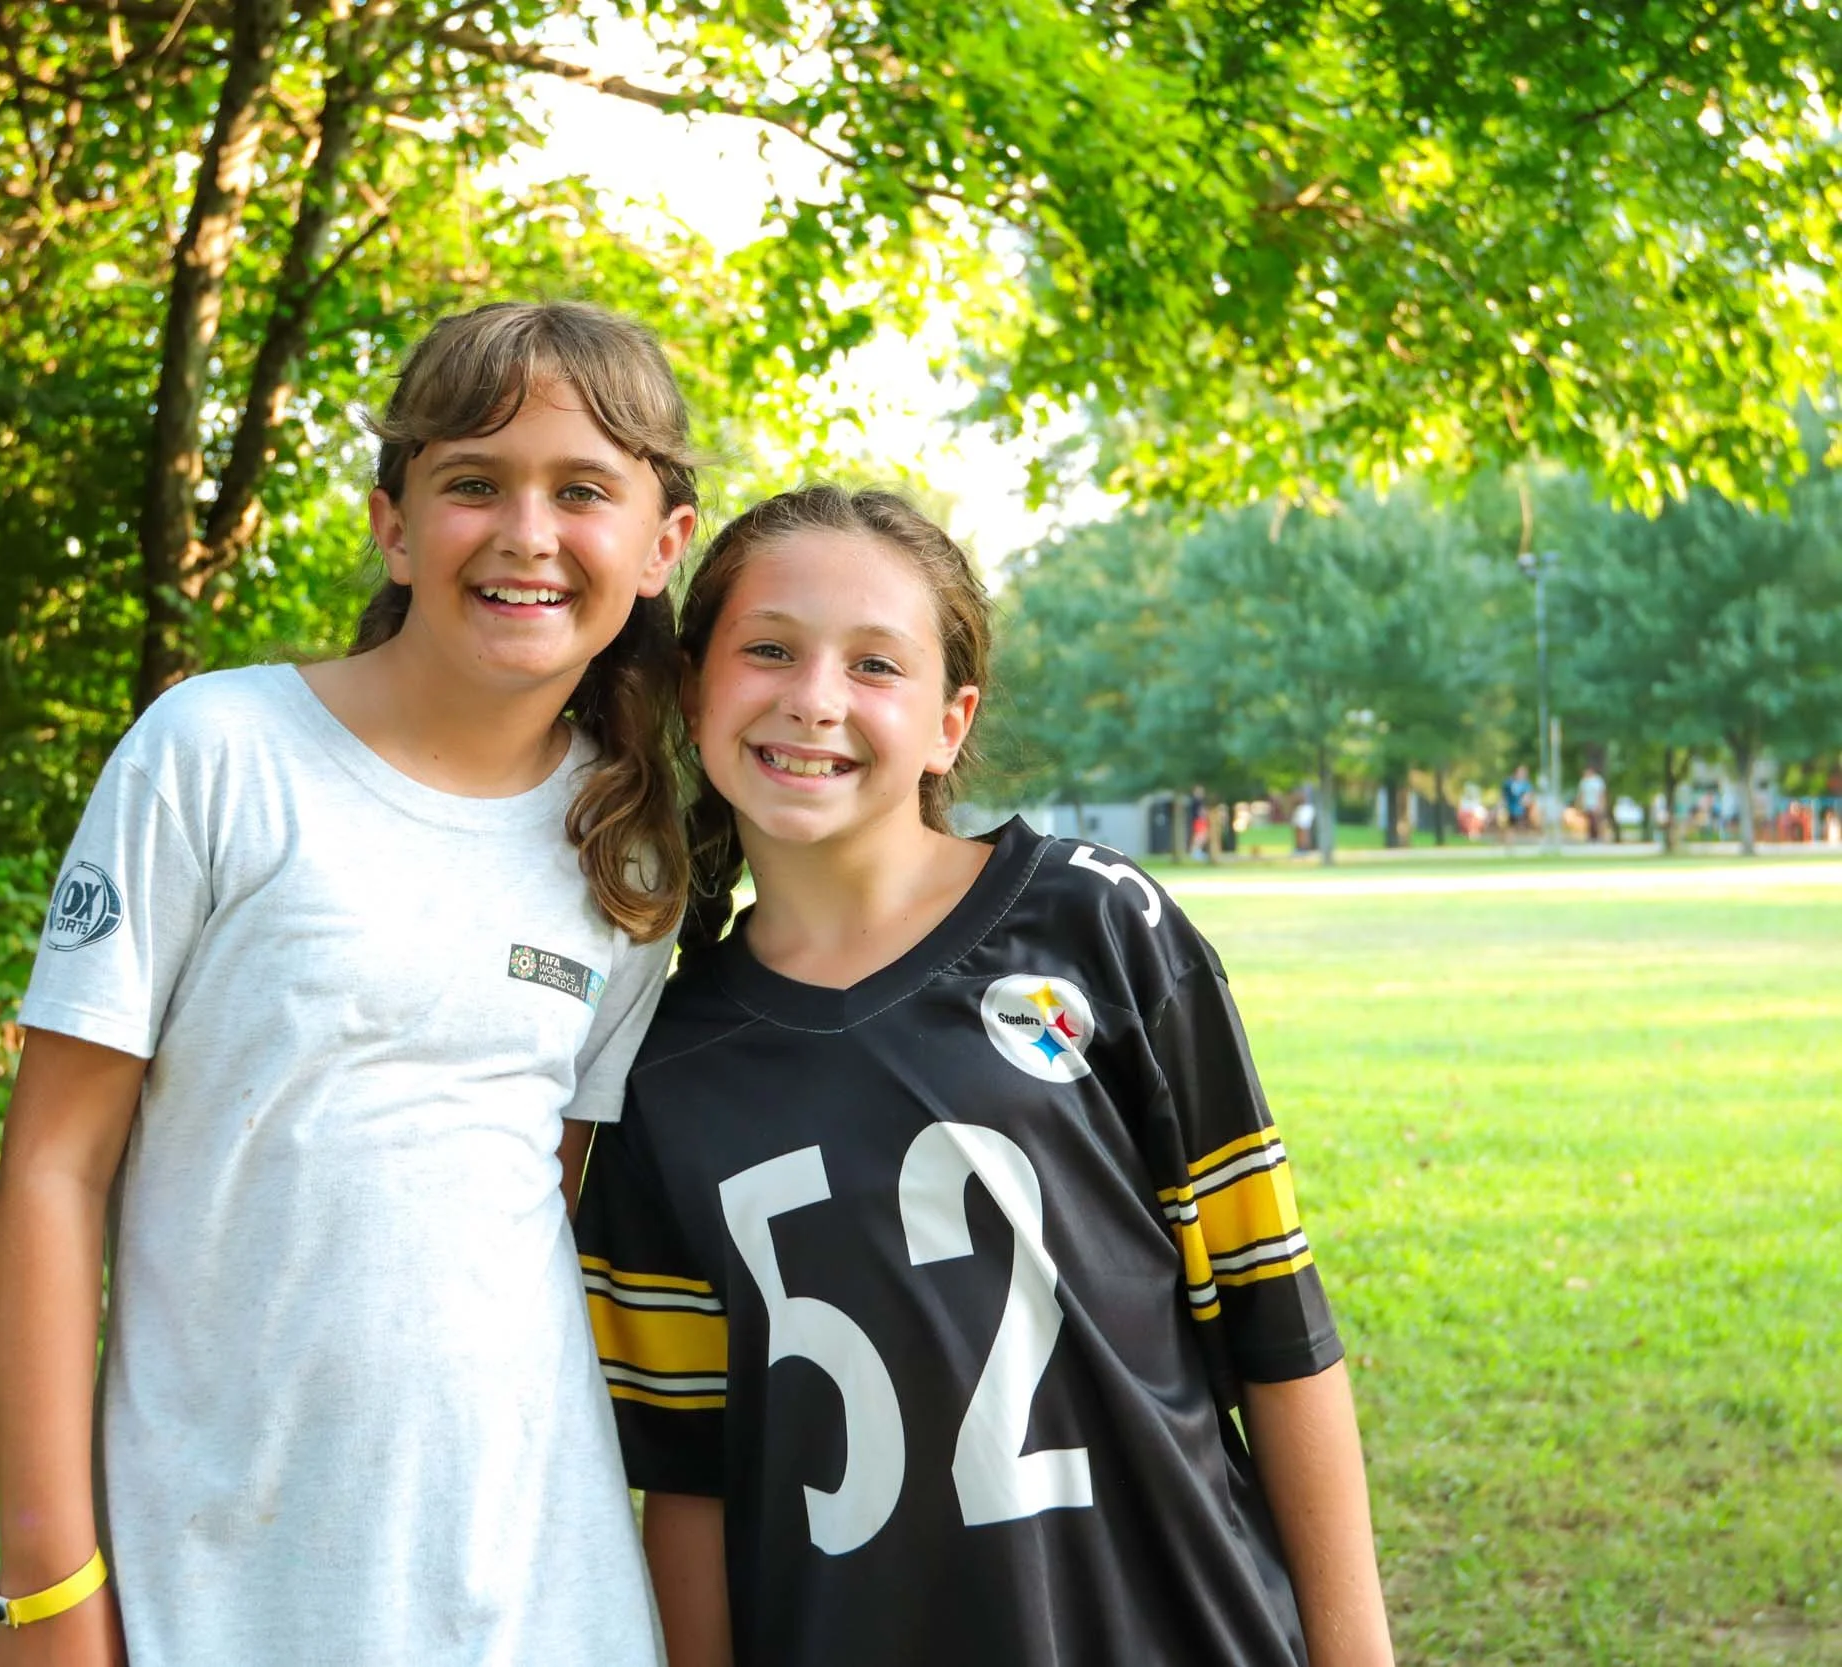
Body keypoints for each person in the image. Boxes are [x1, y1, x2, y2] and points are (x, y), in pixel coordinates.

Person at [0, 302, 701, 1666]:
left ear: (661, 544)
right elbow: (51, 1171)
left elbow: (533, 1206)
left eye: (581, 490)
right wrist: (49, 1582)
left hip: (535, 1587)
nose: (527, 532)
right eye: (473, 482)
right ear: (393, 523)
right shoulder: (216, 751)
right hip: (218, 1571)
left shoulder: (628, 855)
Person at [576, 487, 1395, 1667]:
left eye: (875, 663)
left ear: (948, 723)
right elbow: (688, 1480)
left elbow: (1278, 1335)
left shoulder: (1098, 926)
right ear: (694, 686)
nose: (814, 698)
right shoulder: (666, 1068)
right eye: (769, 649)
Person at [1187, 782, 1212, 863]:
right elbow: (1201, 812)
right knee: (1199, 837)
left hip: (1200, 820)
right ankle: (1195, 852)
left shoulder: (1198, 801)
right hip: (1198, 820)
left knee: (1201, 836)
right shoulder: (1196, 801)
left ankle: (1197, 851)